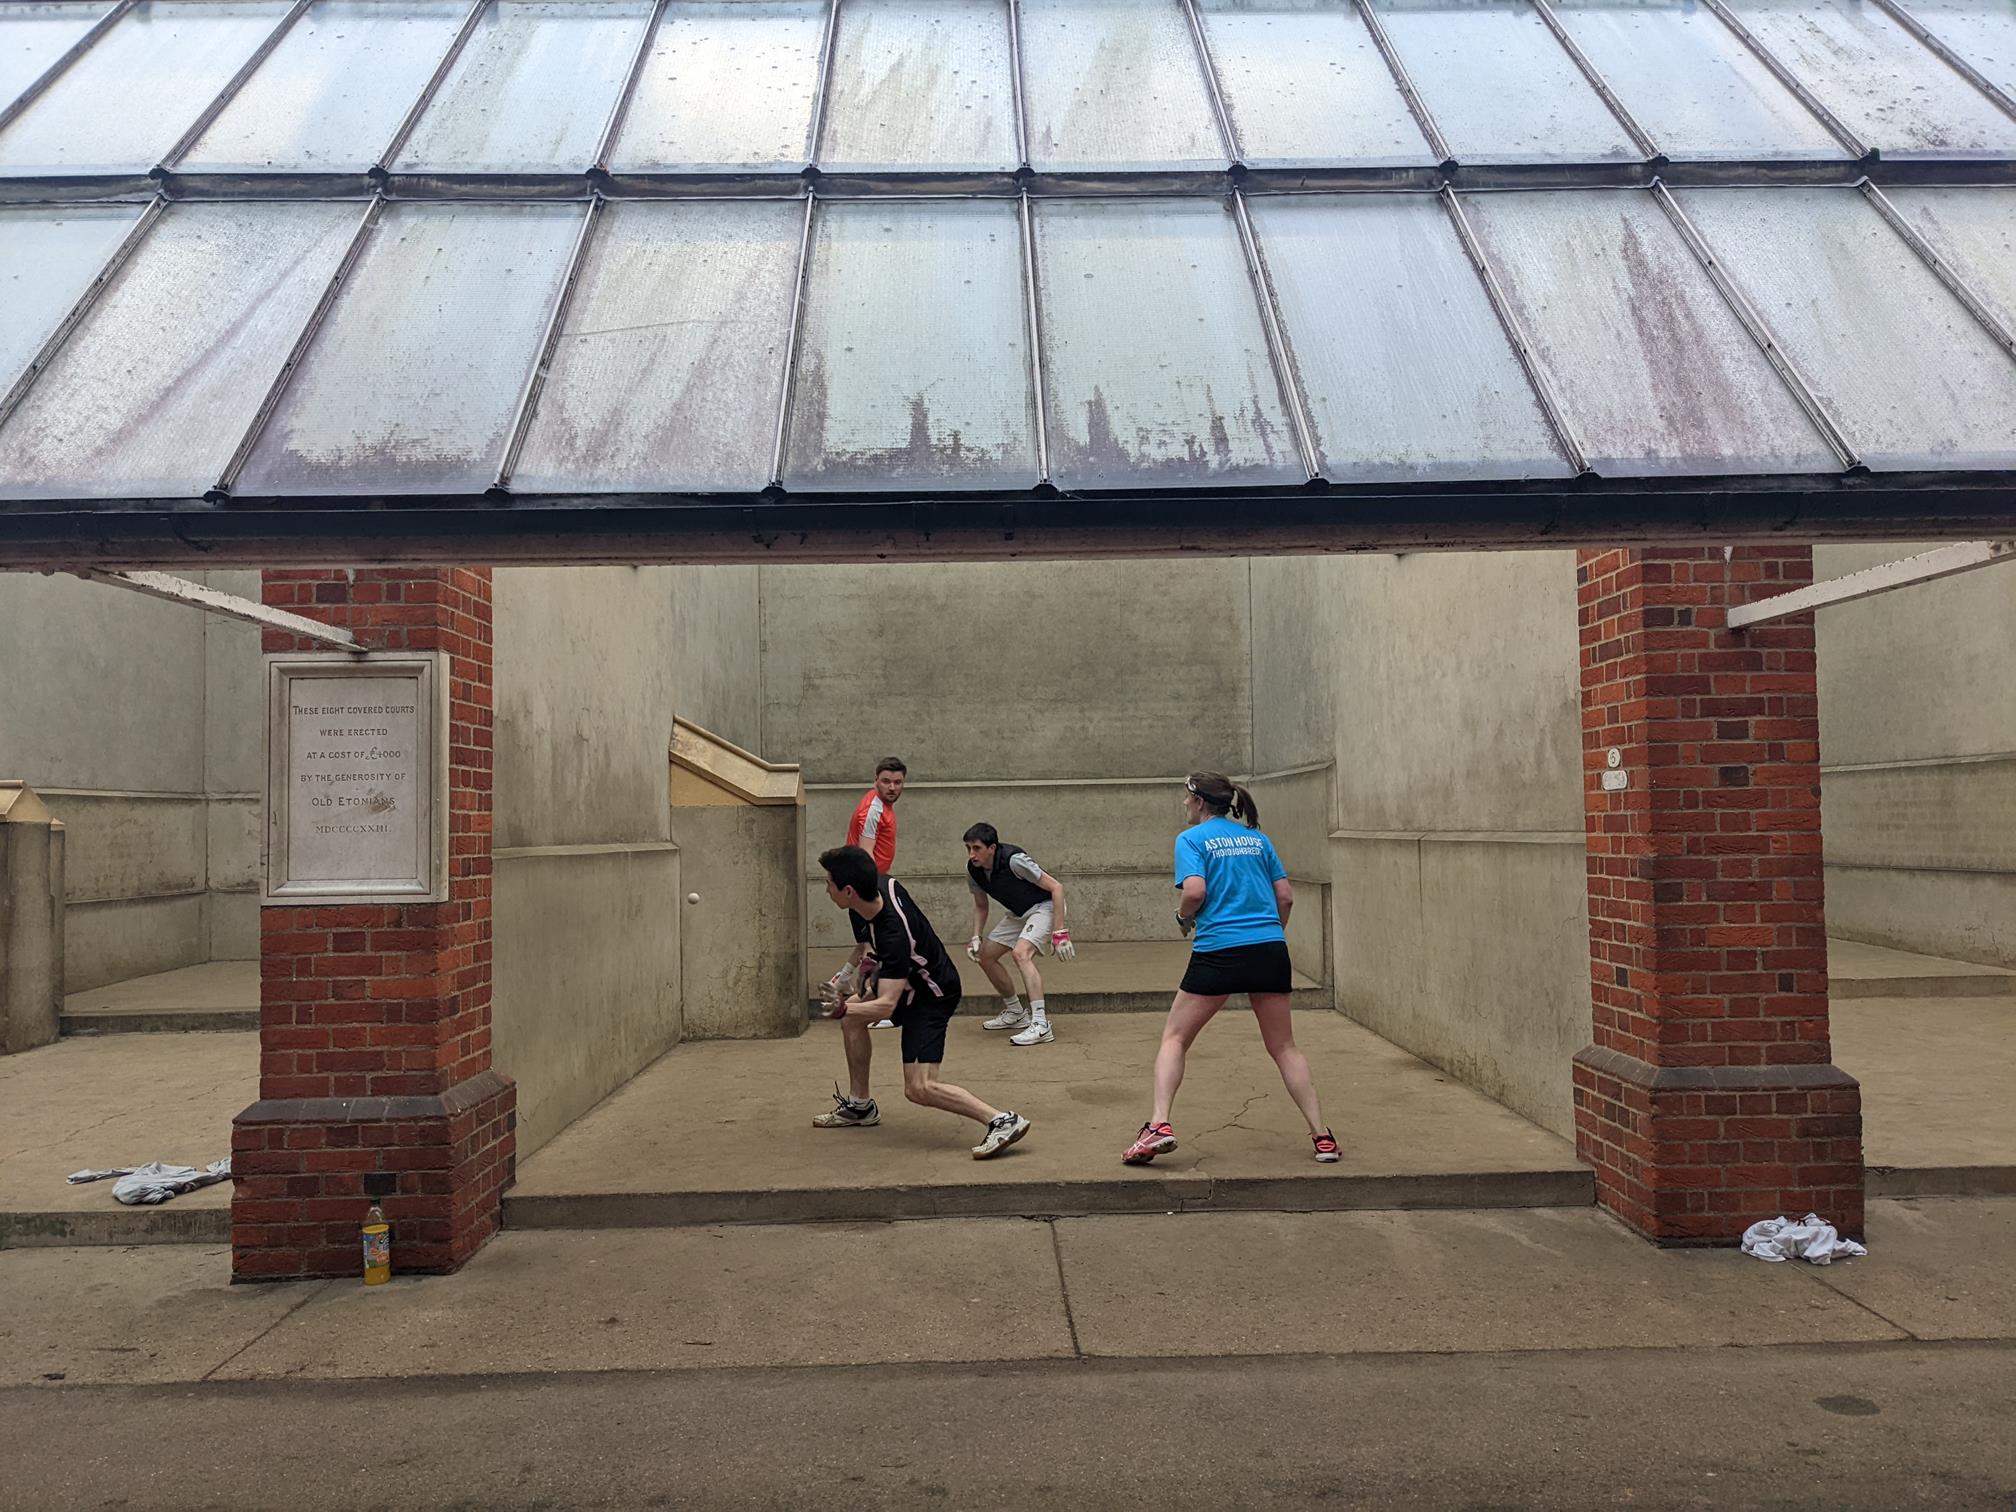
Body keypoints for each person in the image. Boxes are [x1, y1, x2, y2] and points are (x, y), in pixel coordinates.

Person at [1121, 772, 1339, 1166]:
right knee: (1284, 1047)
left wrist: (1183, 916)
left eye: (1186, 798)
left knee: (1174, 1038)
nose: (1183, 805)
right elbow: (1285, 898)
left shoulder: (1190, 840)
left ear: (1199, 802)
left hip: (1218, 952)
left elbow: (1194, 892)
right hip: (1270, 950)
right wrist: (1268, 937)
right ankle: (1322, 1137)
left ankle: (1159, 1125)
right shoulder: (1258, 839)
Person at [812, 844, 1032, 1159]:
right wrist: (860, 982)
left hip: (931, 994)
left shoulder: (894, 933)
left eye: (829, 883)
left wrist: (843, 1006)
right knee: (853, 1020)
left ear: (848, 891)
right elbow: (871, 953)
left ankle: (1002, 1120)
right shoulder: (875, 889)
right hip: (905, 977)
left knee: (919, 1088)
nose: (826, 889)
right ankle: (860, 1107)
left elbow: (887, 1004)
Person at [962, 823, 1075, 1046]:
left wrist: (1060, 932)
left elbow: (1056, 888)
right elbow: (981, 906)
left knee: (1021, 954)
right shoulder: (972, 871)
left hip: (1045, 906)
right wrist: (976, 936)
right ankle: (1016, 1013)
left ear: (992, 848)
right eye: (968, 848)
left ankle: (1041, 1025)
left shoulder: (1015, 860)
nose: (972, 854)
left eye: (976, 848)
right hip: (1019, 912)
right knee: (986, 956)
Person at [830, 757, 906, 1028]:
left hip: (864, 887)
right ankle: (873, 1009)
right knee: (874, 949)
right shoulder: (872, 810)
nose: (892, 787)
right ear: (875, 780)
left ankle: (840, 982)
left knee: (866, 943)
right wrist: (875, 896)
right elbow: (865, 857)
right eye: (886, 781)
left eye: (897, 782)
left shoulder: (881, 804)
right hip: (865, 889)